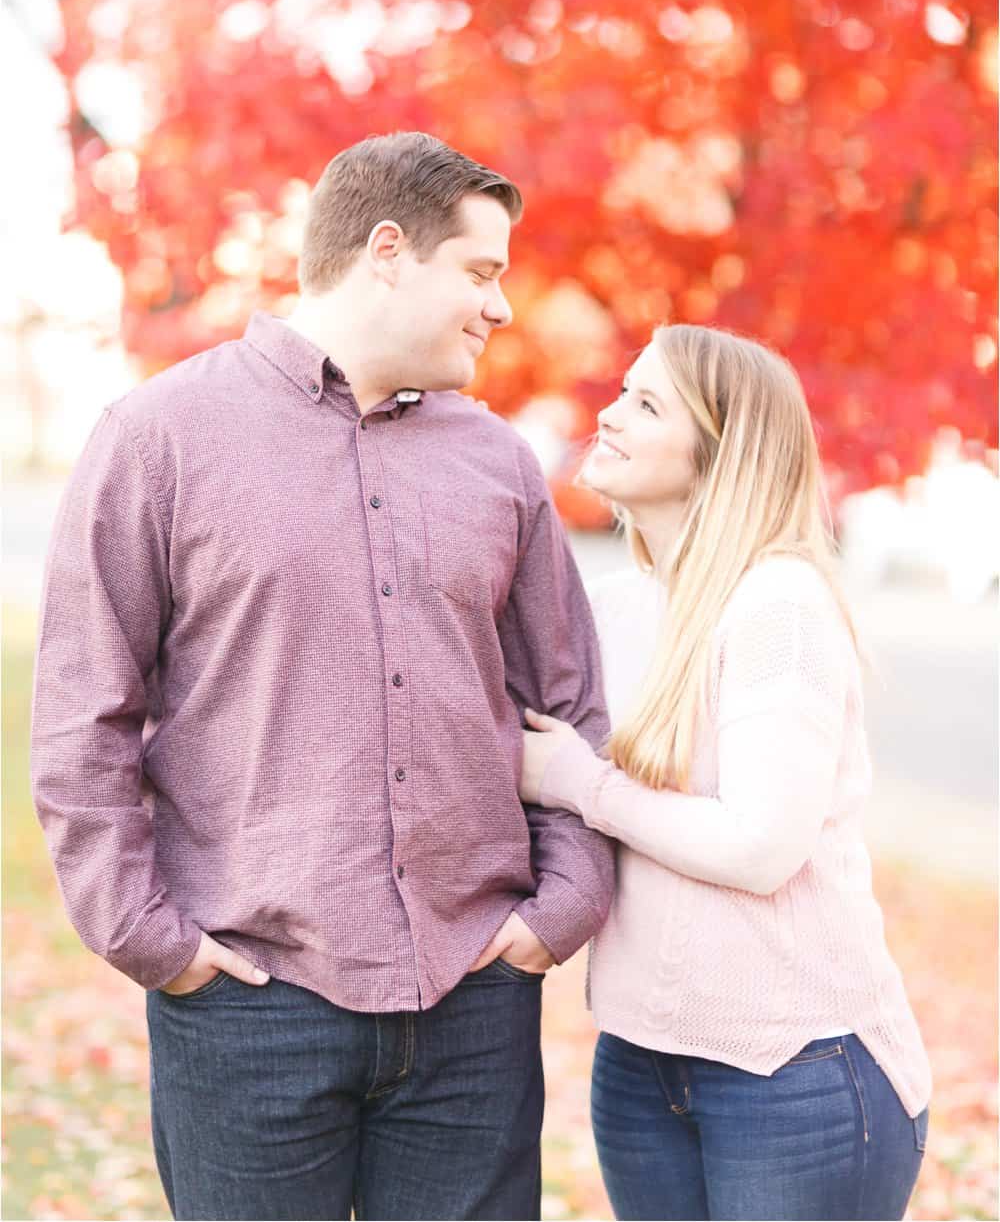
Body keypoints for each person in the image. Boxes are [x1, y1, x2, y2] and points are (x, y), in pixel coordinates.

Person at [31, 131, 614, 1222]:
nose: (499, 307)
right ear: (387, 250)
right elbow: (82, 723)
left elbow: (568, 701)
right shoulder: (158, 438)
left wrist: (565, 902)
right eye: (480, 272)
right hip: (248, 1000)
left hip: (472, 998)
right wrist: (154, 940)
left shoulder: (498, 462)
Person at [519, 323, 932, 1222]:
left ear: (721, 449)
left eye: (647, 402)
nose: (610, 415)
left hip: (797, 1070)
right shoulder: (613, 610)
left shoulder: (777, 603)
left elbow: (760, 845)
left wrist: (576, 780)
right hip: (639, 1062)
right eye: (623, 390)